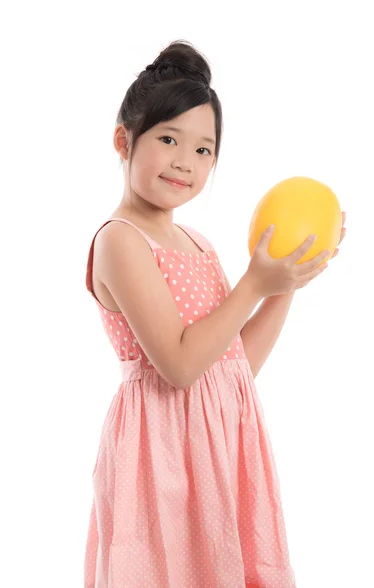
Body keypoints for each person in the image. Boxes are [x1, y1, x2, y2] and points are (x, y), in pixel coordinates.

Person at [83, 39, 344, 588]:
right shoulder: (119, 242)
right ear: (122, 141)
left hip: (223, 446)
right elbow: (179, 367)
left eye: (204, 150)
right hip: (162, 456)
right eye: (168, 139)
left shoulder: (197, 242)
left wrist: (284, 284)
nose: (185, 161)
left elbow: (233, 365)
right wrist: (254, 282)